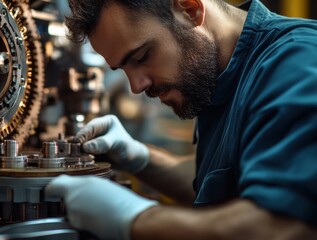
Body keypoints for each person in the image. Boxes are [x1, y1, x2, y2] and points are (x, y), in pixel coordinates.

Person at [45, 0, 317, 239]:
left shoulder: (296, 64)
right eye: (122, 68)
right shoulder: (221, 78)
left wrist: (133, 218)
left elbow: (285, 229)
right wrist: (141, 159)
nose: (136, 86)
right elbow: (220, 183)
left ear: (190, 9)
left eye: (141, 56)